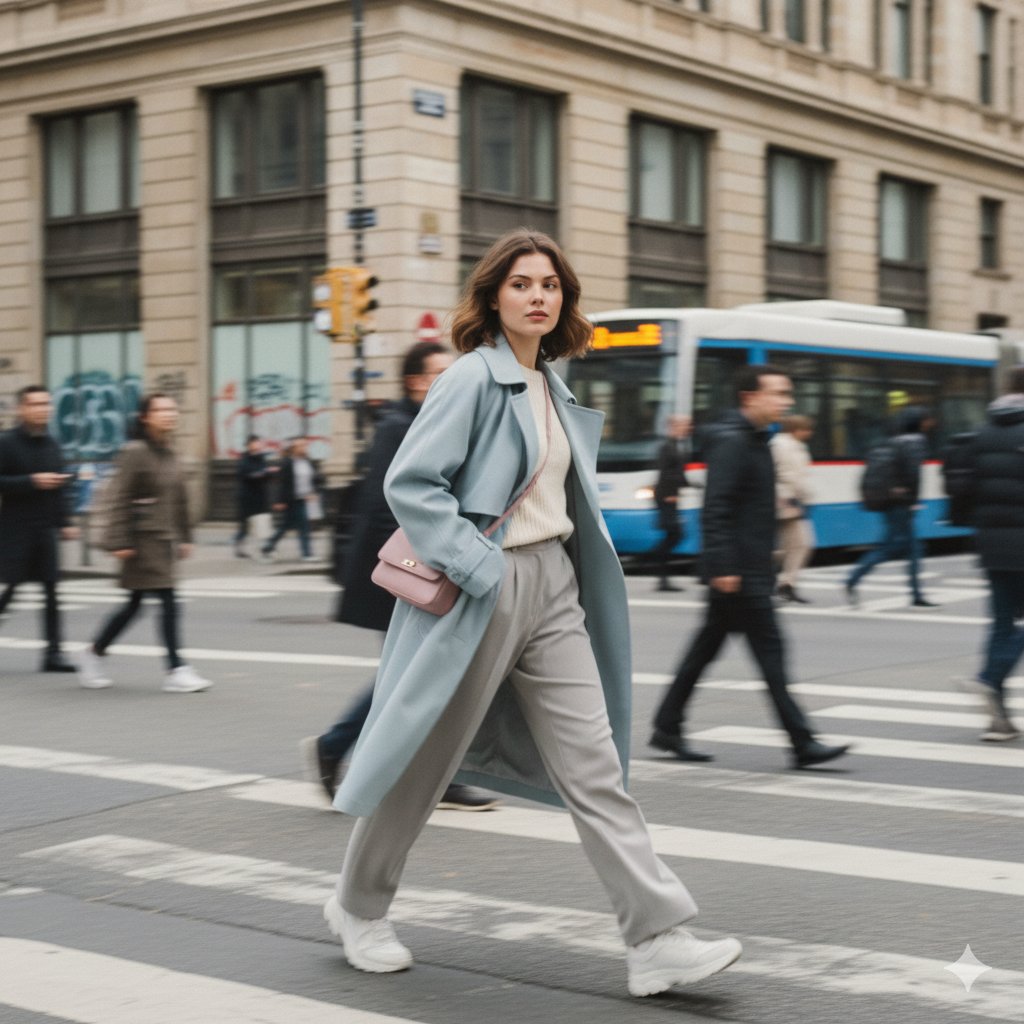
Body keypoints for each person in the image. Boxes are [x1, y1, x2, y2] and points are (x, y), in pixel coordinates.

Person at [323, 230, 741, 997]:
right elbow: (412, 484)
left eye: (550, 284)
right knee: (424, 762)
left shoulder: (553, 381)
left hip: (551, 588)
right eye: (521, 284)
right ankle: (357, 907)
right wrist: (478, 566)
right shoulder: (470, 379)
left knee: (597, 766)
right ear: (493, 297)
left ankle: (655, 937)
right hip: (482, 586)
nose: (538, 296)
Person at [303, 341, 498, 811]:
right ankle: (339, 747)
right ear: (415, 381)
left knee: (418, 677)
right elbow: (386, 504)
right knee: (413, 679)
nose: (449, 380)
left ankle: (354, 752)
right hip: (407, 575)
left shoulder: (434, 423)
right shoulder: (397, 426)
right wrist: (433, 560)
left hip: (423, 569)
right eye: (438, 373)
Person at [651, 365, 850, 770]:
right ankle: (802, 742)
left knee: (704, 652)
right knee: (771, 656)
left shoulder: (756, 439)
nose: (786, 401)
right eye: (778, 393)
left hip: (747, 568)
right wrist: (725, 566)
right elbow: (717, 508)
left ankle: (667, 726)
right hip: (739, 573)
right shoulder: (735, 443)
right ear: (750, 397)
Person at [75, 393, 211, 693]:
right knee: (168, 601)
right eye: (161, 409)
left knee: (134, 605)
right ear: (145, 417)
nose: (169, 414)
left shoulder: (169, 452)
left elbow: (179, 500)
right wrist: (118, 541)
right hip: (139, 542)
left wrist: (186, 536)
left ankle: (94, 653)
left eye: (172, 409)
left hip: (162, 541)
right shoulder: (135, 451)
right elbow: (118, 496)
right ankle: (176, 668)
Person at [959, 367, 1024, 742]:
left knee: (1001, 625)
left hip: (991, 541)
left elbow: (964, 489)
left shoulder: (981, 432)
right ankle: (988, 678)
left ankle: (997, 721)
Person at [0, 385, 78, 672]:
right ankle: (53, 652)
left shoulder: (52, 444)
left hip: (45, 529)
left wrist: (66, 521)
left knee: (52, 591)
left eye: (45, 404)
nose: (41, 409)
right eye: (34, 404)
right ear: (22, 409)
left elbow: (59, 486)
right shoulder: (6, 442)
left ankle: (53, 654)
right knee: (11, 590)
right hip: (15, 529)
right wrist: (32, 481)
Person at [845, 407, 937, 608]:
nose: (930, 424)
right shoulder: (915, 442)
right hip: (901, 504)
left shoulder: (892, 440)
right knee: (890, 548)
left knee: (914, 549)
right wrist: (913, 500)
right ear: (919, 422)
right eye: (926, 420)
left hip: (890, 502)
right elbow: (914, 475)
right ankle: (853, 578)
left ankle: (916, 594)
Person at [771, 415, 815, 604]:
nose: (810, 433)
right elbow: (790, 476)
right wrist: (803, 497)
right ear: (797, 429)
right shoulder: (784, 446)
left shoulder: (791, 445)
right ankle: (783, 584)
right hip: (786, 500)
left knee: (792, 545)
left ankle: (786, 585)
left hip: (789, 500)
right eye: (807, 429)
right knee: (803, 543)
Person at [650, 414, 695, 592]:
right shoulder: (667, 447)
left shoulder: (676, 445)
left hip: (671, 496)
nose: (688, 428)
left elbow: (678, 472)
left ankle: (662, 575)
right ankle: (656, 563)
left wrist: (691, 485)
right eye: (684, 425)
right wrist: (670, 494)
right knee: (676, 534)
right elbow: (664, 472)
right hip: (666, 497)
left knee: (674, 535)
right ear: (673, 426)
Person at [262, 436, 321, 563]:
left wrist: (313, 491)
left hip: (303, 499)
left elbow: (314, 478)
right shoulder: (288, 463)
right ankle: (307, 554)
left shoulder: (307, 461)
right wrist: (279, 501)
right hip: (292, 500)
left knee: (287, 527)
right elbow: (283, 484)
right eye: (301, 446)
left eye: (305, 445)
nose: (304, 447)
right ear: (294, 448)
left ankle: (267, 546)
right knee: (301, 526)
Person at [233, 435, 275, 558]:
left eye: (259, 443)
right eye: (256, 443)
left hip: (260, 496)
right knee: (245, 526)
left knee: (262, 523)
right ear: (249, 445)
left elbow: (264, 476)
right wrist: (264, 473)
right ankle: (238, 543)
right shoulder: (244, 460)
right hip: (247, 497)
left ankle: (264, 549)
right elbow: (247, 475)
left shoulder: (261, 458)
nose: (259, 445)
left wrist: (269, 473)